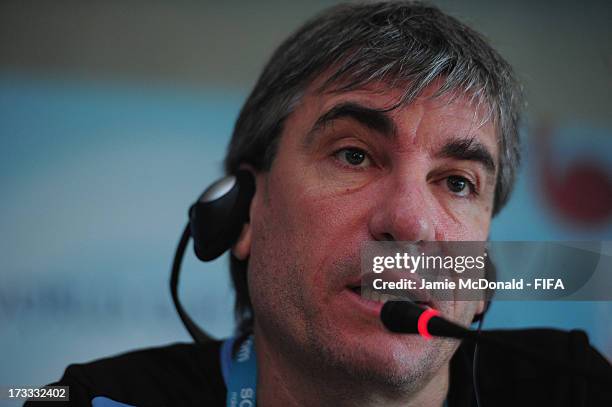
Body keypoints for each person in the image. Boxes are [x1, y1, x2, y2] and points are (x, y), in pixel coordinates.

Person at [27, 2, 612, 406]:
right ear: (245, 214)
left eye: (457, 183)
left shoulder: (571, 388)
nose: (408, 223)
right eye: (354, 155)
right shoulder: (100, 400)